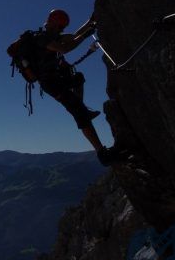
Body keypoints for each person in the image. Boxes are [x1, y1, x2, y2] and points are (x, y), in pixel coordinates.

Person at [11, 9, 125, 166]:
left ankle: (82, 108)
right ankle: (101, 153)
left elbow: (73, 36)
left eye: (61, 28)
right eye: (59, 27)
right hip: (51, 83)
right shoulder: (41, 39)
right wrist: (86, 35)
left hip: (56, 78)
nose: (60, 30)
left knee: (78, 79)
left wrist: (90, 21)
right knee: (78, 112)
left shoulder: (52, 36)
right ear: (52, 23)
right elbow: (65, 48)